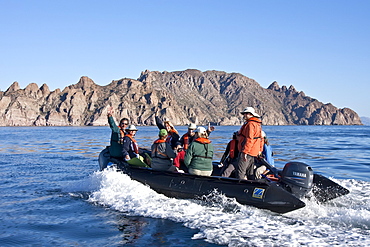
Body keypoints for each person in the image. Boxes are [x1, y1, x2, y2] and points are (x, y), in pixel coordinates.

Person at [236, 107, 263, 180]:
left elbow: (249, 139)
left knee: (240, 171)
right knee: (250, 171)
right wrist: (259, 150)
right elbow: (261, 139)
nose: (244, 115)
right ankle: (252, 184)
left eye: (245, 114)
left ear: (250, 114)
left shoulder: (250, 125)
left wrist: (245, 152)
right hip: (254, 152)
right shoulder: (257, 124)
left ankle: (240, 186)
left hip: (248, 151)